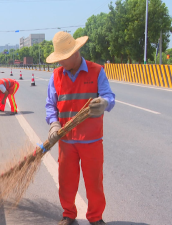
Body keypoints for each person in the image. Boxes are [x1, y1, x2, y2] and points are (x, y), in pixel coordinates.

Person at [41, 31, 115, 225]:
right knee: (66, 182)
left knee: (94, 183)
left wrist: (104, 103)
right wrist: (54, 124)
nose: (60, 63)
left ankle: (95, 217)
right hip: (66, 140)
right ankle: (68, 214)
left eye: (63, 59)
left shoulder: (96, 71)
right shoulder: (56, 76)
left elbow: (109, 96)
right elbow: (50, 105)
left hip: (91, 141)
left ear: (75, 53)